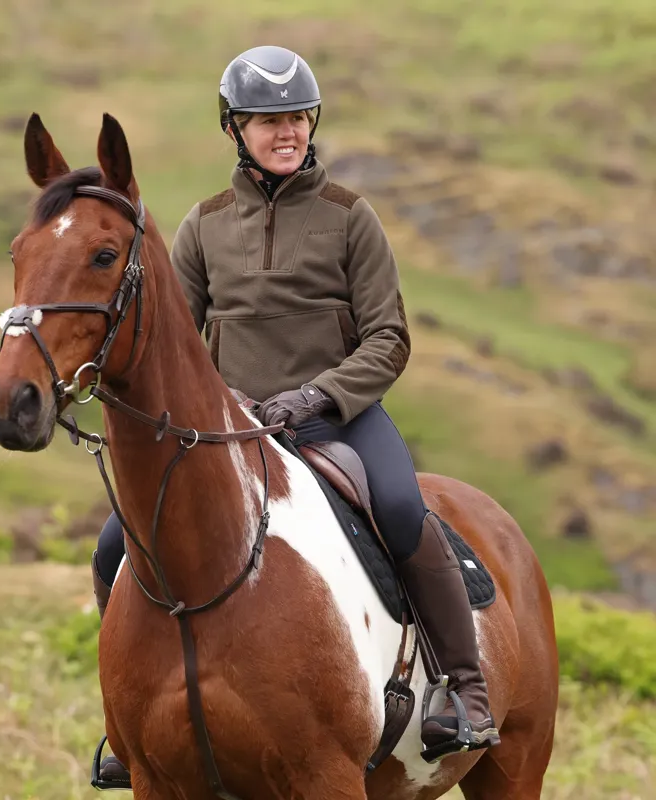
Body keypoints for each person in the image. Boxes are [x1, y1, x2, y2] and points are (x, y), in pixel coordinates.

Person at [91, 46, 499, 784]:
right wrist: (220, 405)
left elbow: (389, 338)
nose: (287, 132)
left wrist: (320, 396)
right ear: (234, 129)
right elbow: (176, 345)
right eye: (268, 120)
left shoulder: (350, 217)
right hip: (231, 429)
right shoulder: (205, 226)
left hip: (337, 418)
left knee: (406, 512)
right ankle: (131, 719)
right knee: (114, 543)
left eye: (298, 118)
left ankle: (463, 692)